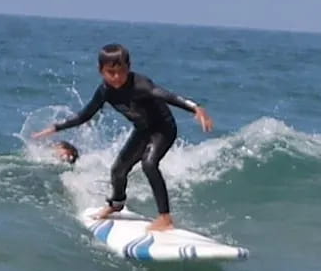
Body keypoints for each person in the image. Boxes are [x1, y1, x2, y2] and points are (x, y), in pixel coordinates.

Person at [33, 43, 213, 231]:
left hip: (163, 129)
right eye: (111, 72)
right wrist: (56, 127)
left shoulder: (141, 85)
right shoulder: (105, 91)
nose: (117, 77)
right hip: (143, 130)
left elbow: (168, 95)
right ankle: (116, 205)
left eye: (121, 71)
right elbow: (84, 115)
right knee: (118, 170)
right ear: (100, 70)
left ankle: (165, 218)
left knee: (149, 164)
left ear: (129, 67)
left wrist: (195, 107)